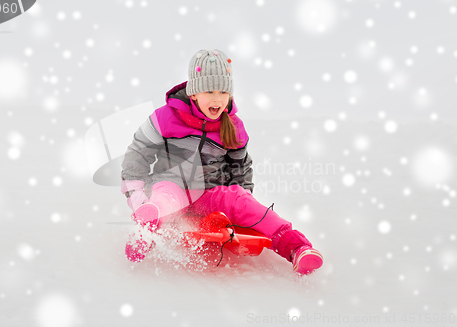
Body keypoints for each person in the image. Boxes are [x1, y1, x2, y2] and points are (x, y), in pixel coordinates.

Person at [120, 49, 323, 274]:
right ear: (194, 93)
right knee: (165, 198)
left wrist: (243, 206)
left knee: (239, 200)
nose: (217, 98)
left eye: (223, 91)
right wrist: (137, 196)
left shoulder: (233, 126)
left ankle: (296, 247)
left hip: (210, 193)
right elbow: (138, 153)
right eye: (209, 90)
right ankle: (146, 230)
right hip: (171, 185)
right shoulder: (165, 117)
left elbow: (240, 167)